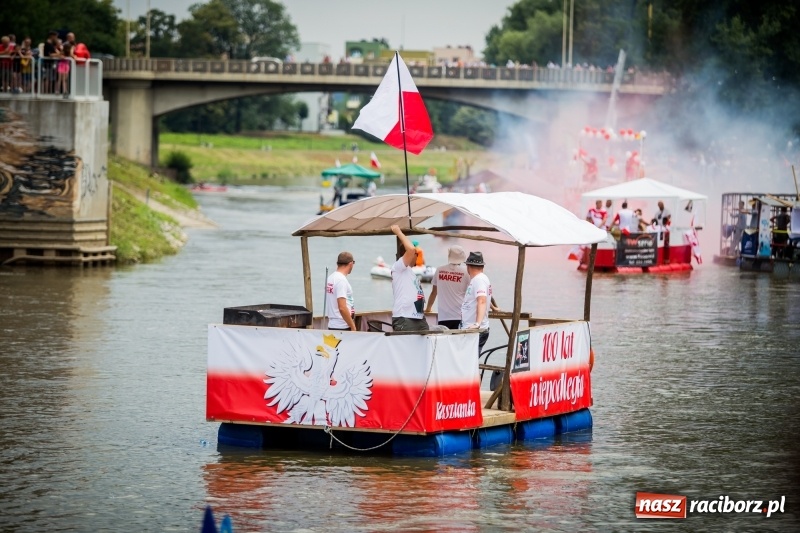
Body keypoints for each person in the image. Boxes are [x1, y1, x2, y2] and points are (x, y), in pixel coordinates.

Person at [389, 225, 428, 332]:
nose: (417, 256)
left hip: (418, 317)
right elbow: (410, 249)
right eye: (416, 254)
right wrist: (398, 232)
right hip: (404, 317)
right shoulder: (398, 267)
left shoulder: (410, 272)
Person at [425, 245, 470, 330]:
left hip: (443, 316)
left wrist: (428, 309)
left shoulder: (439, 270)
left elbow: (434, 292)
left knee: (445, 341)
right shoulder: (466, 272)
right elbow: (473, 291)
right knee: (458, 342)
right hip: (460, 315)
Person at [461, 251, 496, 354]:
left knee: (468, 362)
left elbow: (481, 300)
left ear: (468, 266)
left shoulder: (479, 280)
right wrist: (493, 307)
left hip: (475, 331)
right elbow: (484, 299)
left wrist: (477, 324)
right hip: (473, 329)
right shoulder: (480, 279)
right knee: (468, 361)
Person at [325, 252, 357, 331]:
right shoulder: (341, 281)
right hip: (342, 326)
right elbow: (342, 307)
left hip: (333, 324)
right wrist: (353, 326)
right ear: (351, 264)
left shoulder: (331, 278)